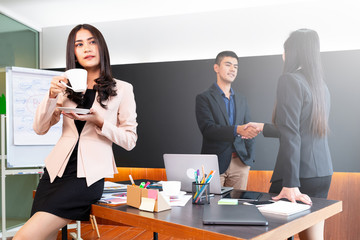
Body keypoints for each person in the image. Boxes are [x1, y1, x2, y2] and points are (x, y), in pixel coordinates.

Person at [13, 24, 138, 240]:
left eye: (92, 42)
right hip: (54, 172)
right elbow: (39, 128)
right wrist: (51, 95)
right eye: (79, 44)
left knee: (23, 237)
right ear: (73, 53)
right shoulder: (66, 88)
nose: (86, 48)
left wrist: (101, 123)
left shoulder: (123, 89)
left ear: (101, 47)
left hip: (86, 178)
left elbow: (130, 140)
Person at [248, 29, 333, 239]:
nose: (282, 56)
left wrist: (290, 184)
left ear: (293, 52)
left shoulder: (289, 80)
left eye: (284, 50)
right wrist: (263, 126)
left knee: (278, 234)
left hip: (297, 176)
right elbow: (301, 129)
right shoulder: (321, 86)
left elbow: (292, 135)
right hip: (322, 174)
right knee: (313, 237)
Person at [195, 51, 259, 190]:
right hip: (214, 164)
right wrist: (236, 130)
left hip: (240, 164)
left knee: (236, 209)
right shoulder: (204, 98)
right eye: (228, 65)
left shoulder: (242, 99)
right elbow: (208, 129)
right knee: (211, 209)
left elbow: (250, 130)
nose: (232, 69)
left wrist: (248, 160)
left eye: (235, 66)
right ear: (216, 68)